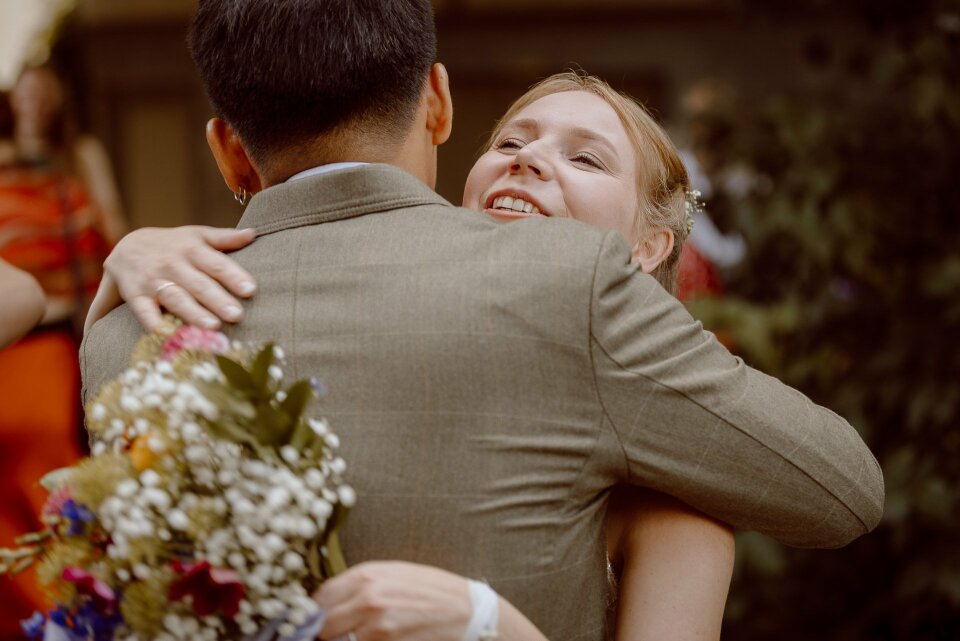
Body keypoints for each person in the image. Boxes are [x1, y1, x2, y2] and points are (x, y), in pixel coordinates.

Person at [81, 2, 884, 640]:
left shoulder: (125, 334)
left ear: (227, 150)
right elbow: (841, 492)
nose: (532, 163)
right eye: (514, 139)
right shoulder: (567, 288)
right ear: (438, 103)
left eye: (587, 157)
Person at [0, 63, 125, 634]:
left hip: (58, 333)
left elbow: (114, 230)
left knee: (46, 456)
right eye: (23, 87)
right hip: (9, 335)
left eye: (42, 86)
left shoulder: (82, 156)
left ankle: (67, 606)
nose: (33, 97)